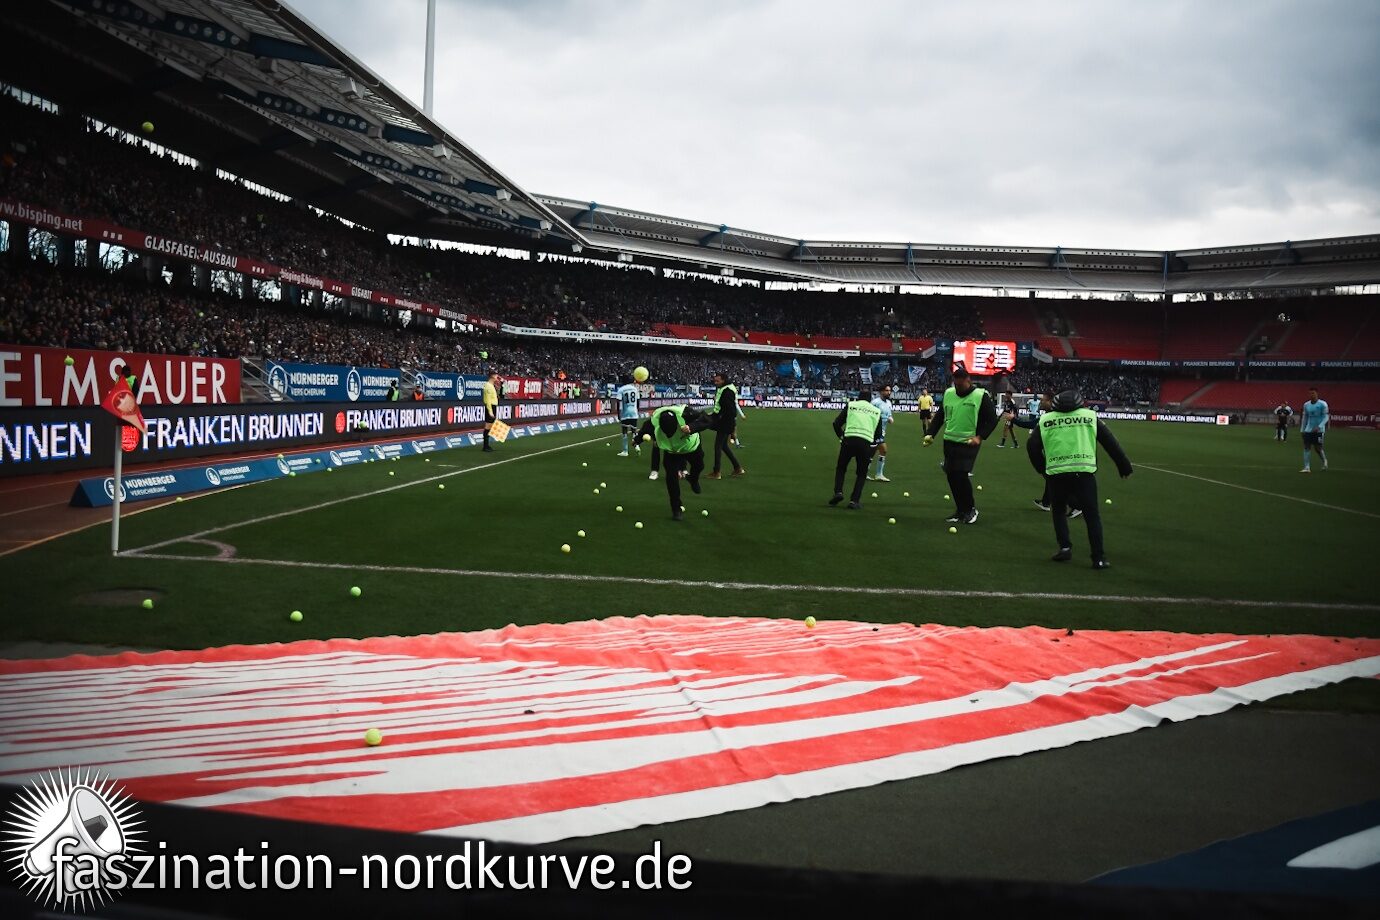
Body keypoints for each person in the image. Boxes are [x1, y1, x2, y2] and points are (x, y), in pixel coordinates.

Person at [1027, 389, 1133, 569]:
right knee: (1092, 516)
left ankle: (1065, 547)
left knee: (1058, 511)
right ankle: (1098, 557)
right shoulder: (1089, 416)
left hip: (1057, 474)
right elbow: (1109, 442)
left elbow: (1032, 447)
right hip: (1084, 473)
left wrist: (1043, 469)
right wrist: (1123, 465)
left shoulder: (1046, 419)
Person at [923, 365, 998, 525]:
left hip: (969, 441)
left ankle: (970, 509)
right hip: (949, 440)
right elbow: (940, 416)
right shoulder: (949, 394)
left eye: (960, 384)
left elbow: (992, 419)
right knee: (951, 476)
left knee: (961, 475)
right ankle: (960, 510)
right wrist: (930, 433)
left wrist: (980, 437)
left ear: (968, 381)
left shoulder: (980, 395)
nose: (957, 388)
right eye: (955, 384)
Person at [650, 404, 714, 520]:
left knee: (699, 466)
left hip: (691, 447)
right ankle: (676, 509)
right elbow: (646, 427)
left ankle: (693, 479)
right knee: (671, 478)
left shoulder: (687, 413)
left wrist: (692, 427)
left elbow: (706, 419)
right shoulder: (656, 418)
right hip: (672, 451)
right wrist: (637, 439)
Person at [831, 389, 883, 509]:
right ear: (870, 399)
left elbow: (836, 423)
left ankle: (838, 492)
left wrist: (841, 436)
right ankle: (854, 501)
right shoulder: (876, 411)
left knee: (841, 468)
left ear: (858, 397)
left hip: (849, 439)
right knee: (861, 473)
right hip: (865, 443)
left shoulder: (851, 405)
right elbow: (878, 434)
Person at [706, 372, 745, 479]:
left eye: (717, 381)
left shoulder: (727, 391)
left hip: (725, 422)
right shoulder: (725, 388)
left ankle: (717, 472)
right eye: (715, 380)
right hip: (725, 421)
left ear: (723, 380)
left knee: (718, 446)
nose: (715, 383)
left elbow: (730, 410)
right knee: (723, 446)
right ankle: (737, 468)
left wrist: (721, 419)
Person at [867, 384, 895, 481]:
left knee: (871, 452)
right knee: (883, 450)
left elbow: (889, 414)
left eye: (889, 390)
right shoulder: (875, 402)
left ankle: (864, 473)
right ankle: (879, 474)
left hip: (882, 431)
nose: (889, 392)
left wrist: (890, 418)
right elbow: (868, 414)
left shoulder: (889, 403)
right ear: (881, 392)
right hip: (874, 431)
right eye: (887, 390)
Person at [1299, 387, 1329, 472]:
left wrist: (1319, 426)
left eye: (1313, 393)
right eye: (1310, 393)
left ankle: (1324, 461)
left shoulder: (1323, 404)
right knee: (1306, 447)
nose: (1312, 395)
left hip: (1319, 430)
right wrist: (1302, 429)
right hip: (1309, 429)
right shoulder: (1306, 405)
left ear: (1317, 394)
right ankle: (1307, 467)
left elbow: (1326, 417)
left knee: (1318, 448)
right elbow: (1305, 418)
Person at [616, 375, 641, 456]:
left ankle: (625, 451)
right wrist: (637, 410)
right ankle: (637, 446)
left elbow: (618, 402)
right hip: (634, 412)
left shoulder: (621, 389)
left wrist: (618, 414)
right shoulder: (635, 389)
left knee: (624, 431)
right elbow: (638, 401)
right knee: (634, 430)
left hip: (625, 413)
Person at [481, 371, 500, 452]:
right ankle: (485, 446)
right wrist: (490, 411)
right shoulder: (488, 386)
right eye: (496, 375)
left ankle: (487, 445)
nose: (497, 377)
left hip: (493, 406)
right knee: (488, 427)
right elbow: (488, 400)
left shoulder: (491, 385)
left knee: (490, 427)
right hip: (490, 407)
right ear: (492, 376)